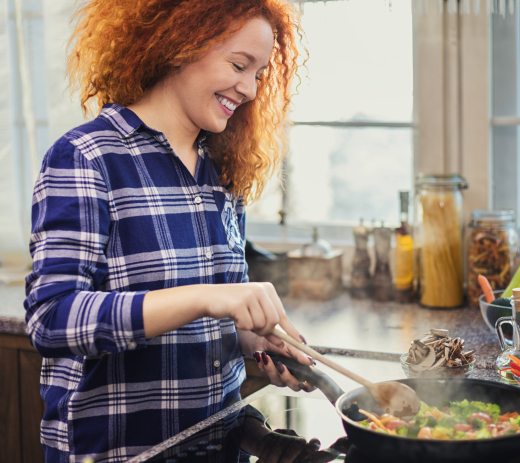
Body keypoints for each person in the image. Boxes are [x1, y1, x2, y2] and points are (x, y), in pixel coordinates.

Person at [24, 1, 318, 461]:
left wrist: (253, 341)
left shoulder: (222, 170)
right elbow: (52, 319)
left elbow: (211, 321)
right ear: (181, 43)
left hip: (217, 447)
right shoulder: (87, 157)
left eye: (258, 73)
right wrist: (205, 297)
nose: (250, 89)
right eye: (240, 65)